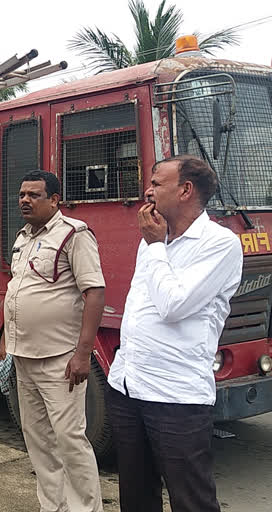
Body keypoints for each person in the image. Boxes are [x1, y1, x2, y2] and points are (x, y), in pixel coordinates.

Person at [107, 156, 242, 512]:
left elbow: (173, 306)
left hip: (176, 396)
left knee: (191, 499)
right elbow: (141, 306)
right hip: (128, 385)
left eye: (155, 183)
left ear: (185, 190)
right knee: (136, 497)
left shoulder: (219, 243)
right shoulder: (154, 238)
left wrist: (154, 247)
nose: (146, 191)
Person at [1, 169, 106, 512]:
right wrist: (7, 342)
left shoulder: (74, 235)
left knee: (70, 440)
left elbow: (94, 292)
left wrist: (82, 354)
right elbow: (17, 290)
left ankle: (85, 509)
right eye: (21, 194)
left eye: (34, 195)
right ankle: (53, 506)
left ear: (55, 199)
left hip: (59, 360)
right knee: (39, 441)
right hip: (24, 357)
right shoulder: (23, 238)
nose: (25, 200)